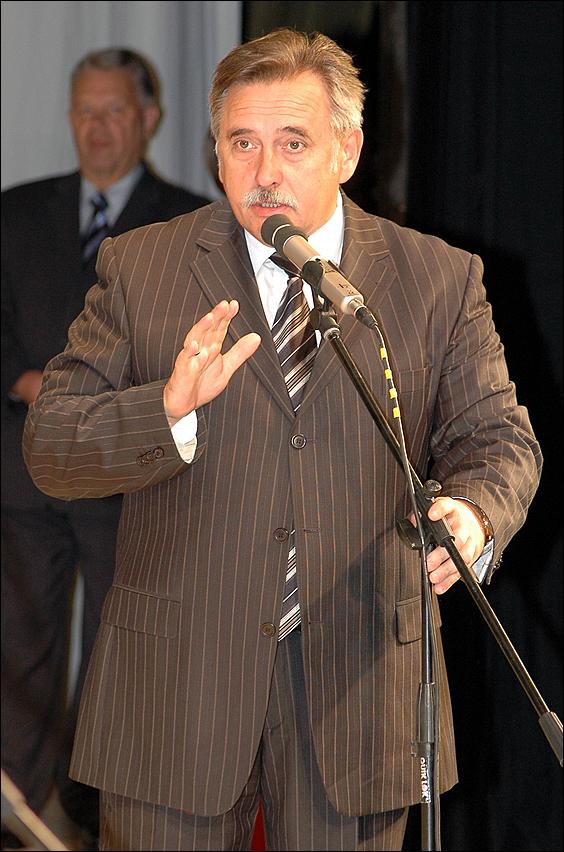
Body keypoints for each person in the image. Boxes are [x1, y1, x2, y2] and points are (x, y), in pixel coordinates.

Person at [22, 28, 542, 852]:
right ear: (217, 155)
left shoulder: (437, 279)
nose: (265, 171)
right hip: (176, 694)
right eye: (243, 143)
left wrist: (474, 514)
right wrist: (166, 410)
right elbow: (51, 444)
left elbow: (500, 440)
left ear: (347, 150)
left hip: (359, 690)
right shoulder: (143, 267)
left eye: (292, 142)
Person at [1, 47, 209, 849]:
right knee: (18, 655)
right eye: (84, 110)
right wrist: (29, 383)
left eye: (113, 110)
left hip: (130, 482)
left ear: (149, 119)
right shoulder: (16, 212)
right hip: (24, 476)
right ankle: (19, 827)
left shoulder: (189, 224)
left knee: (118, 664)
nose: (96, 127)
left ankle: (95, 824)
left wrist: (121, 411)